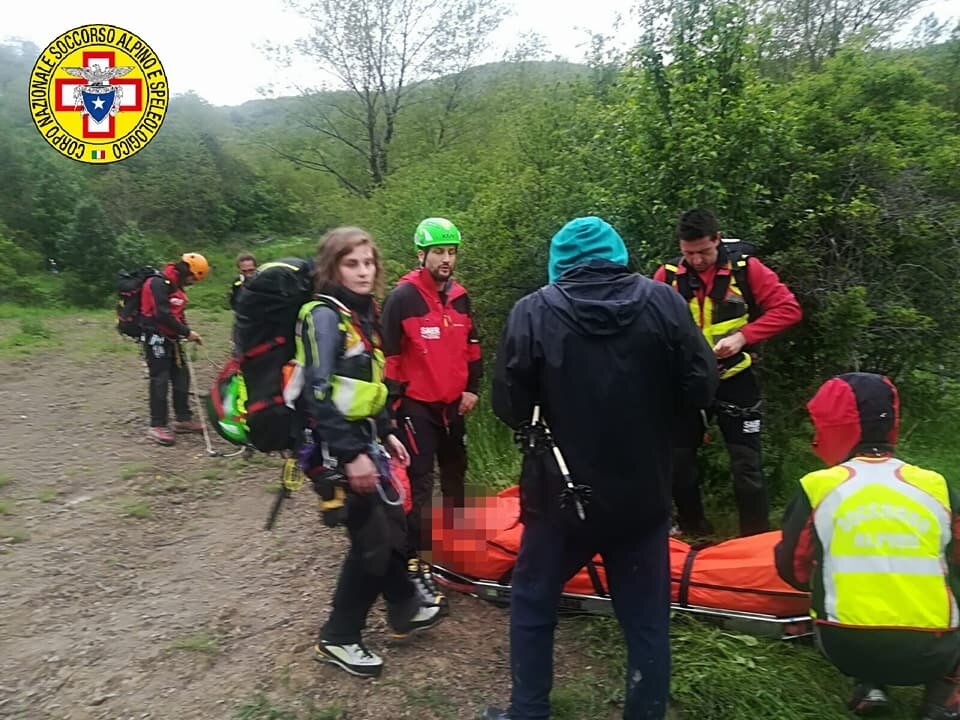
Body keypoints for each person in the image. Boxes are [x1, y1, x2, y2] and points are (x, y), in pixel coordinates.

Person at [484, 216, 719, 720]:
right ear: (617, 253)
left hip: (560, 496)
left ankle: (528, 712)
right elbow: (702, 384)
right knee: (645, 619)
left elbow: (507, 403)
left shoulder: (532, 312)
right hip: (642, 493)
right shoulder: (664, 301)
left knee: (533, 600)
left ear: (558, 264)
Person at [301, 226, 443, 679]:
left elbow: (367, 384)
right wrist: (349, 455)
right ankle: (339, 637)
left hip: (365, 439)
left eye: (368, 263)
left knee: (388, 526)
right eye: (352, 264)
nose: (364, 272)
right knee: (372, 541)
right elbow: (319, 393)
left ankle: (403, 606)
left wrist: (386, 430)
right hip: (334, 448)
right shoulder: (323, 315)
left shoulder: (359, 311)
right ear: (332, 268)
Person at [775, 372, 960, 719]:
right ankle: (943, 697)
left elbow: (793, 567)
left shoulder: (818, 485)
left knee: (860, 595)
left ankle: (871, 685)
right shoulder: (936, 485)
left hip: (842, 644)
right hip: (932, 648)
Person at [653, 207, 802, 537]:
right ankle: (694, 530)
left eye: (704, 252)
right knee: (678, 461)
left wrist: (743, 337)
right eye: (689, 253)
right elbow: (648, 321)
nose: (697, 260)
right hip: (689, 383)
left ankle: (755, 539)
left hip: (736, 377)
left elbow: (788, 308)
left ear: (717, 240)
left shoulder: (747, 270)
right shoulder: (667, 276)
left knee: (746, 464)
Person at [381, 217, 482, 611]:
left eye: (451, 251)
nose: (446, 259)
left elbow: (473, 348)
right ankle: (414, 562)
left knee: (457, 469)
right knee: (421, 484)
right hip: (416, 406)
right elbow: (388, 359)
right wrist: (390, 412)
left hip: (453, 405)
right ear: (421, 254)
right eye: (438, 251)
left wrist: (473, 387)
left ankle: (456, 544)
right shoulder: (402, 298)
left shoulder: (460, 296)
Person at [139, 252, 207, 446]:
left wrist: (186, 333)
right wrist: (187, 333)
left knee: (181, 375)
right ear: (187, 271)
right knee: (160, 379)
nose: (193, 282)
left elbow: (177, 314)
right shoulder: (157, 283)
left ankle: (183, 418)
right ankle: (157, 425)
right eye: (194, 278)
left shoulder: (175, 285)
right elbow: (163, 314)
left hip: (172, 338)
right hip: (156, 338)